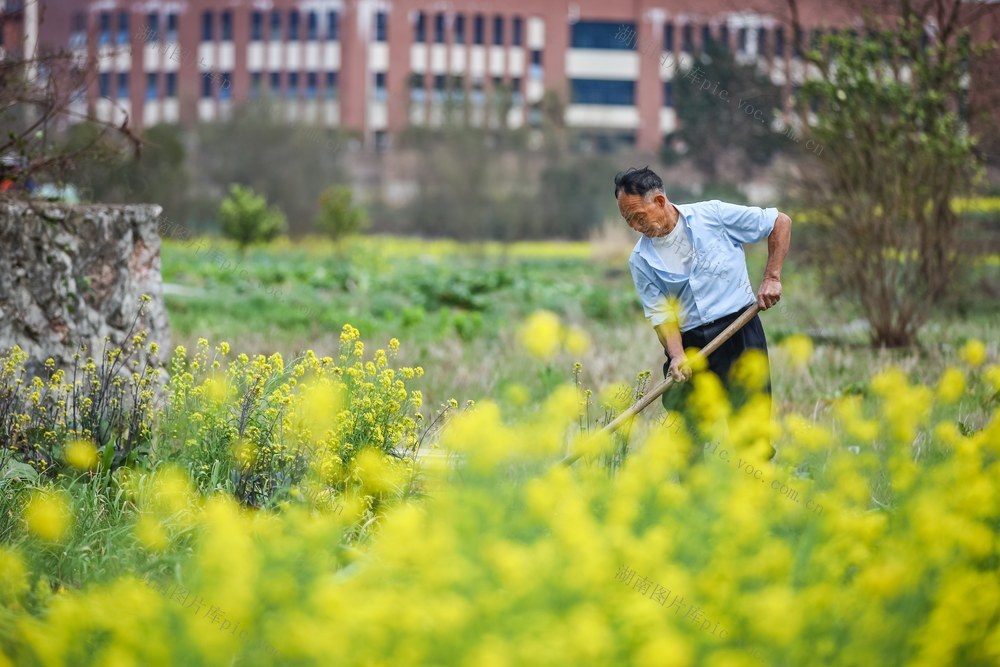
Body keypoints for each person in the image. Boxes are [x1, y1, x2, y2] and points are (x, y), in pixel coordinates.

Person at [614, 166, 792, 461]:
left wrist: (772, 277)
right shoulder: (641, 260)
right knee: (688, 436)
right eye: (627, 220)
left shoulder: (713, 215)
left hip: (740, 333)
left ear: (659, 202)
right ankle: (694, 501)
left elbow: (778, 222)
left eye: (638, 216)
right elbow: (661, 314)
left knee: (750, 429)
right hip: (692, 346)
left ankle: (755, 499)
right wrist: (677, 355)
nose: (634, 225)